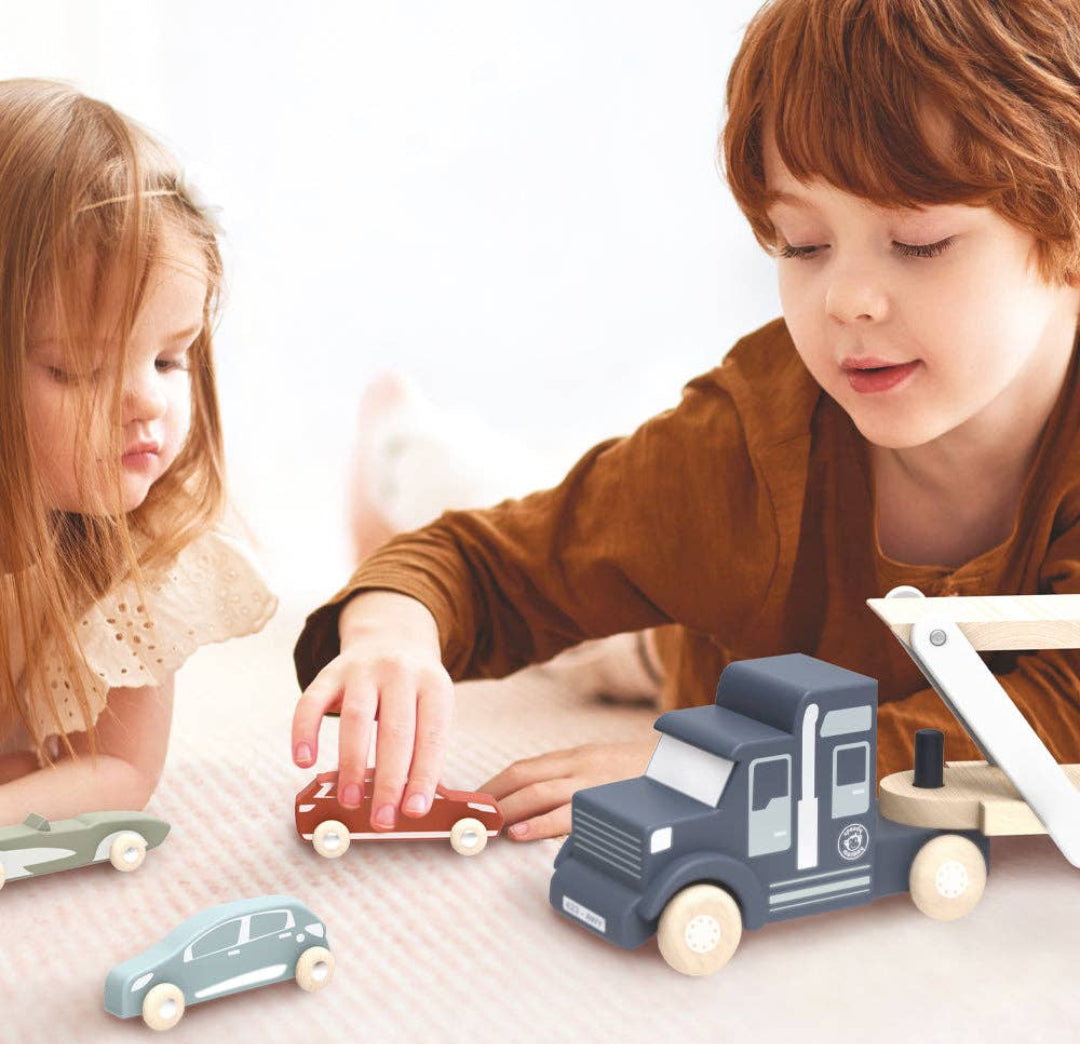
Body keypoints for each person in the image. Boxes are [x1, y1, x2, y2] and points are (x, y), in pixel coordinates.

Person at [293, 0, 1080, 842]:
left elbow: (1056, 722)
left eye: (920, 242)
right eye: (802, 244)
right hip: (710, 621)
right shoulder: (743, 446)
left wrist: (716, 763)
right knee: (595, 609)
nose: (847, 300)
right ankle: (400, 452)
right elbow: (485, 565)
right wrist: (393, 628)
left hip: (755, 640)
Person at [0, 80, 275, 824]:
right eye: (81, 369)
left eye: (170, 359)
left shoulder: (148, 551)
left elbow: (117, 770)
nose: (148, 403)